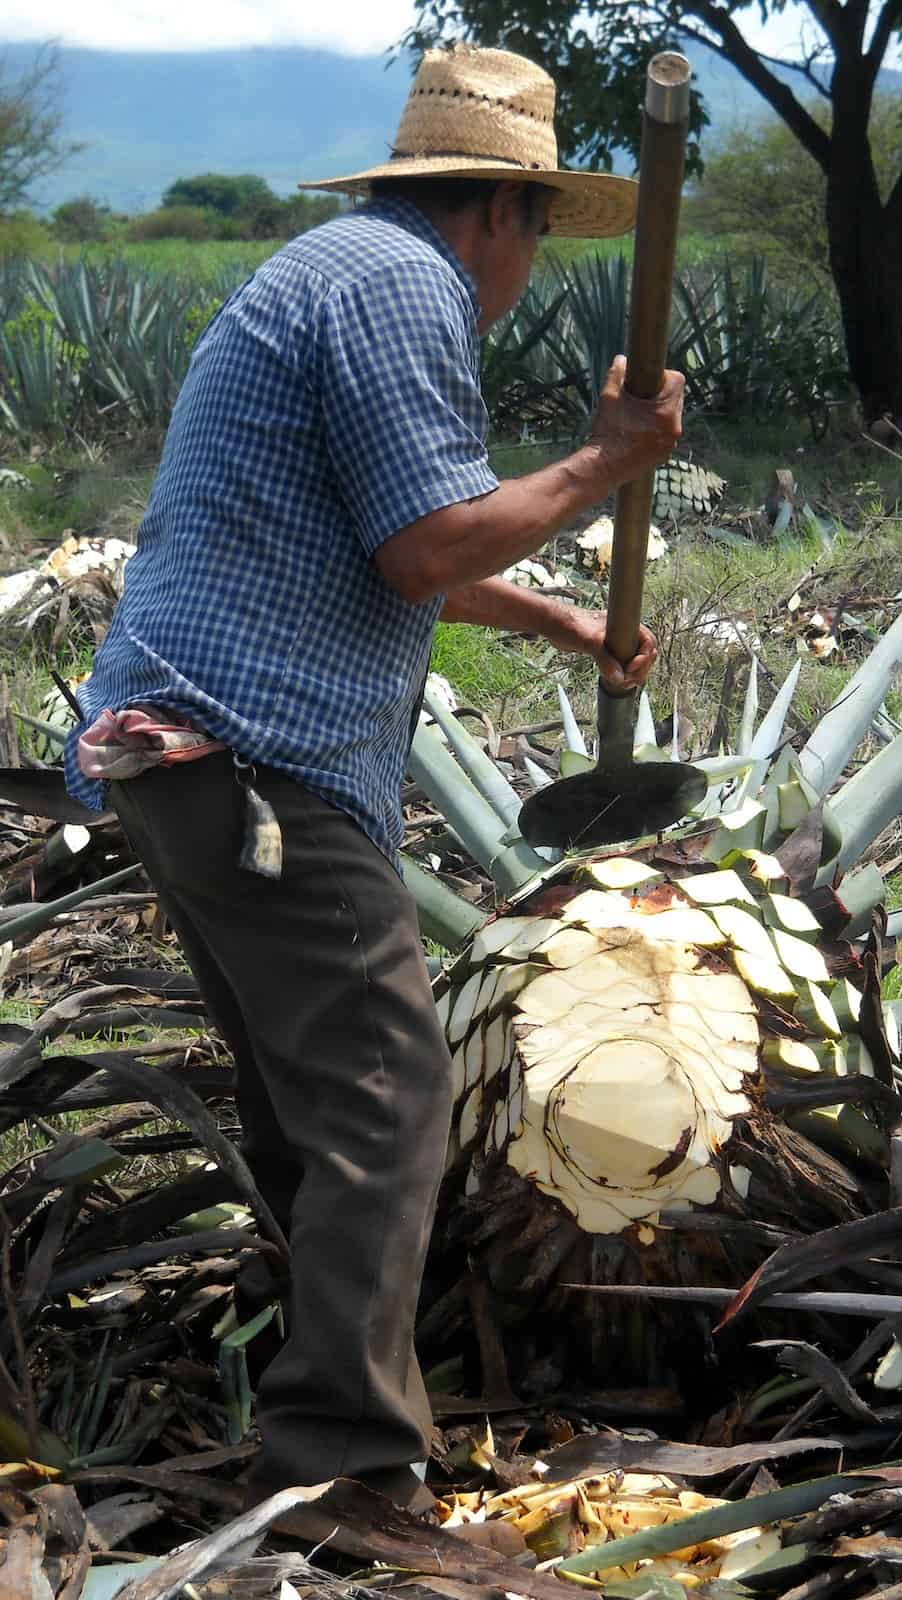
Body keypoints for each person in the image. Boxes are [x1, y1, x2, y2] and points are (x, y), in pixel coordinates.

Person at [64, 43, 684, 1513]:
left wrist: (555, 615)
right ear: (504, 214)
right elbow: (422, 546)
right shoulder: (406, 287)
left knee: (306, 1107)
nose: (530, 260)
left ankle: (326, 1383)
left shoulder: (340, 267)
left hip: (180, 754)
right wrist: (602, 465)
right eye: (536, 228)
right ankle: (346, 1466)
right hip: (254, 754)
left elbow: (382, 546)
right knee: (390, 1092)